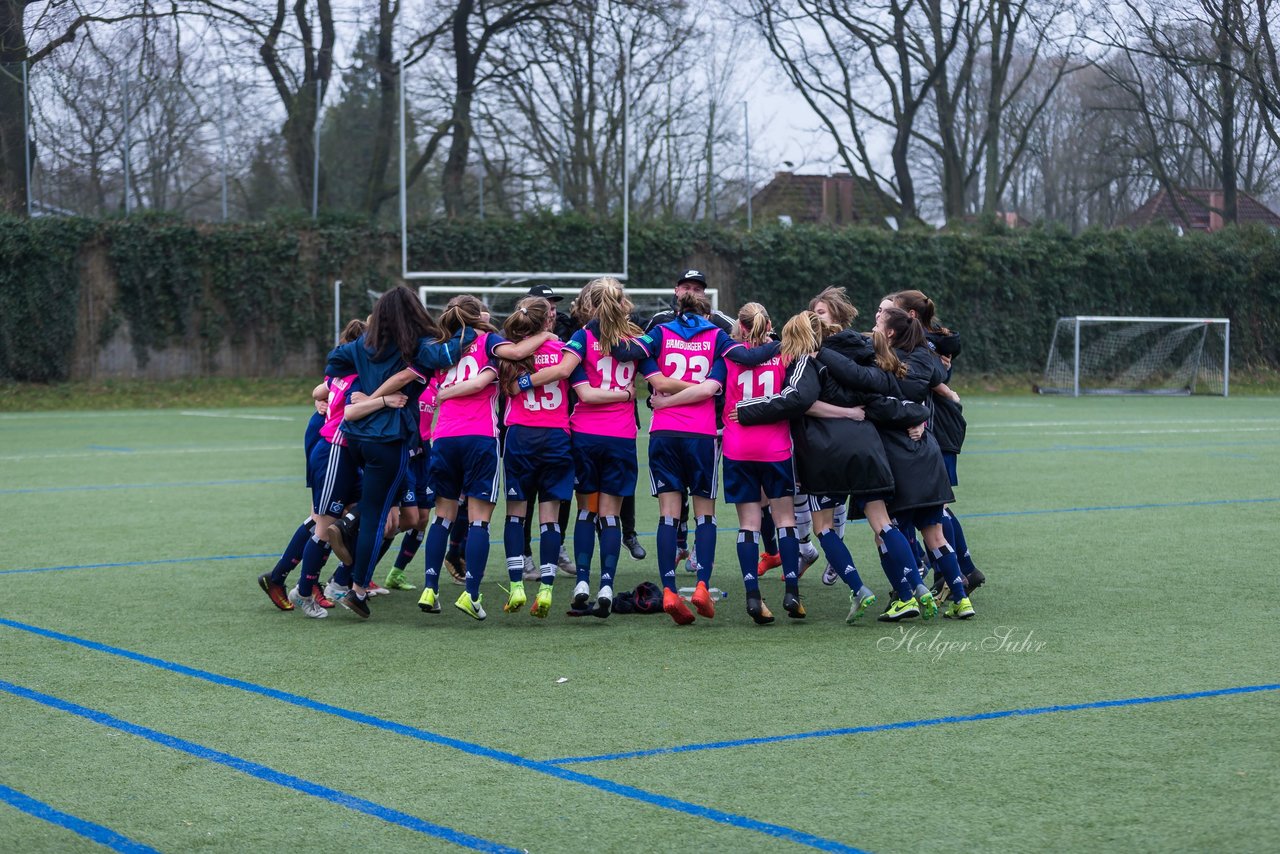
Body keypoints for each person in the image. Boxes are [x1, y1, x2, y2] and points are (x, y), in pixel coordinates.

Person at [737, 311, 928, 622]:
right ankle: (916, 588)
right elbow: (881, 399)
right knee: (882, 522)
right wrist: (916, 414)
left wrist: (745, 411)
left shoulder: (809, 361)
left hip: (825, 453)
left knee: (823, 526)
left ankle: (858, 588)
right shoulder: (864, 359)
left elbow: (800, 400)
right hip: (867, 448)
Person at [320, 287, 473, 619]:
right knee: (379, 516)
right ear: (415, 312)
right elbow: (448, 355)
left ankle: (348, 524)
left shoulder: (364, 345)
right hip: (389, 439)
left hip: (357, 437)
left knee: (374, 506)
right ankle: (358, 589)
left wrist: (362, 385)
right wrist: (472, 327)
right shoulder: (415, 347)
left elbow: (333, 363)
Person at [413, 295, 555, 621]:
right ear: (479, 316)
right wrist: (546, 335)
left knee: (443, 517)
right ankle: (471, 594)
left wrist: (442, 393)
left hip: (444, 436)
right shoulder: (487, 340)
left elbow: (431, 385)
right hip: (479, 436)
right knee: (479, 520)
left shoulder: (442, 346)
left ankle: (430, 588)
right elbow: (517, 353)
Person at [520, 278, 649, 616]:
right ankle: (606, 584)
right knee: (610, 516)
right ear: (623, 303)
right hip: (621, 436)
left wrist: (520, 382)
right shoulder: (637, 340)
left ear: (588, 305)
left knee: (585, 512)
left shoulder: (581, 337)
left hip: (585, 436)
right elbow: (656, 381)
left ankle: (581, 581)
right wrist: (625, 394)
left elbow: (585, 393)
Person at [884, 289, 985, 596]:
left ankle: (950, 572)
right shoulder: (922, 345)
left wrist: (944, 389)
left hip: (935, 433)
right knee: (929, 508)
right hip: (931, 430)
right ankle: (955, 570)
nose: (880, 315)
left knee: (931, 507)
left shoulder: (922, 347)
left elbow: (932, 381)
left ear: (908, 317)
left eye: (886, 310)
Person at [495, 297, 575, 618]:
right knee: (550, 517)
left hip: (521, 437)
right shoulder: (565, 351)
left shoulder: (509, 355)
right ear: (548, 322)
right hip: (556, 437)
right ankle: (546, 589)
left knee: (515, 514)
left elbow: (510, 389)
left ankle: (516, 584)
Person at [718, 302, 793, 624]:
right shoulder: (785, 355)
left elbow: (714, 391)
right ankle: (792, 591)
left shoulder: (728, 355)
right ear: (769, 324)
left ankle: (752, 595)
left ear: (740, 326)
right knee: (785, 520)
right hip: (776, 448)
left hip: (738, 447)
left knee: (748, 523)